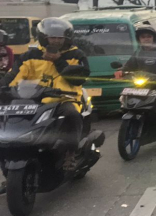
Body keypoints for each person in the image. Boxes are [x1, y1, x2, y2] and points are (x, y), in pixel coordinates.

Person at [0, 18, 89, 161]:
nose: (56, 41)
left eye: (60, 38)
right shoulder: (30, 55)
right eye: (52, 37)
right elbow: (13, 76)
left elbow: (78, 79)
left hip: (64, 99)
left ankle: (71, 153)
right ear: (43, 37)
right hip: (32, 99)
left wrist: (58, 60)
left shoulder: (76, 55)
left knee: (72, 115)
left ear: (67, 38)